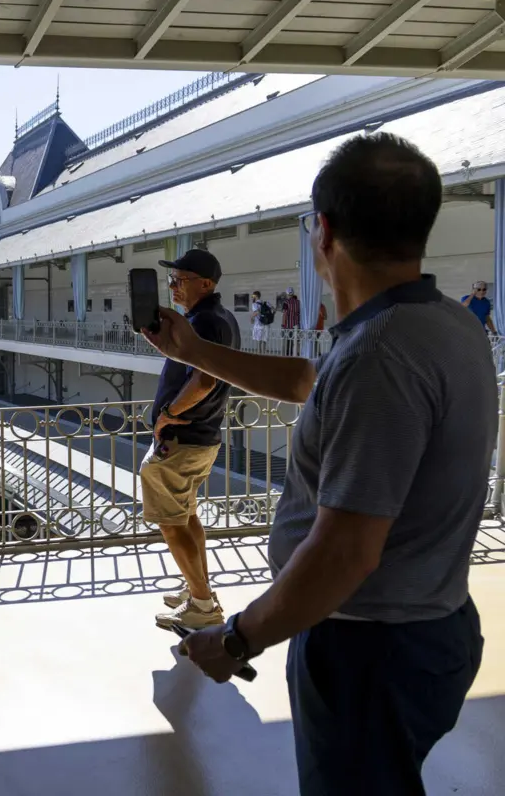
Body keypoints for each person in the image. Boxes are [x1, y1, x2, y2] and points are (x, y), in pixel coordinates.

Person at [142, 133, 492, 795]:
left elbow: (345, 552)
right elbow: (311, 380)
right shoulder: (446, 324)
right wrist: (193, 351)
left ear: (323, 231)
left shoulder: (378, 357)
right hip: (430, 625)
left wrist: (237, 639)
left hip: (369, 649)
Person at [143, 248, 240, 631]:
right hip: (203, 436)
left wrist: (170, 415)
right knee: (187, 516)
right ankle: (197, 588)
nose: (173, 287)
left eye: (180, 280)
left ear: (206, 283)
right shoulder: (218, 318)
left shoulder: (204, 323)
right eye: (172, 280)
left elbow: (204, 381)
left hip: (183, 439)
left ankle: (201, 604)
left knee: (171, 522)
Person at [281, 287, 301, 355]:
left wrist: (283, 324)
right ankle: (295, 354)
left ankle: (288, 354)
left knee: (288, 340)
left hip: (288, 325)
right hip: (297, 325)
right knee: (295, 341)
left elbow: (285, 314)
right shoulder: (298, 302)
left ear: (287, 294)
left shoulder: (286, 302)